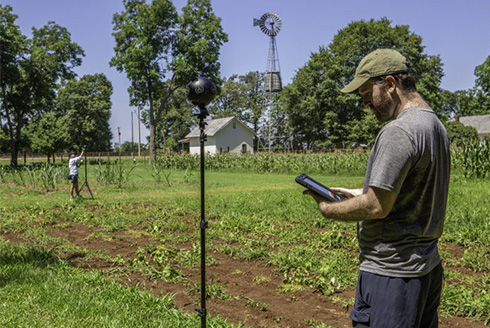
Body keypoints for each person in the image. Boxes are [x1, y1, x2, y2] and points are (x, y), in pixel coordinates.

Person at [304, 49, 450, 328]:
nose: (366, 105)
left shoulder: (398, 131)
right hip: (425, 268)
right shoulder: (434, 125)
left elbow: (376, 206)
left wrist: (330, 208)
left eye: (367, 94)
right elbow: (409, 190)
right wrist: (359, 193)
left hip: (391, 276)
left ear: (391, 84)